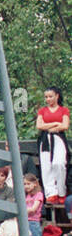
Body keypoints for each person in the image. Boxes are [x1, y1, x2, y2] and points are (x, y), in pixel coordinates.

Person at [37, 86, 70, 214]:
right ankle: (51, 193)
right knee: (46, 167)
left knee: (59, 163)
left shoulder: (63, 110)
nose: (48, 99)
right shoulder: (42, 110)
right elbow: (39, 125)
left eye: (50, 96)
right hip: (45, 139)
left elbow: (65, 125)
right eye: (46, 97)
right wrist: (55, 124)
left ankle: (61, 191)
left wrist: (52, 127)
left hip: (58, 138)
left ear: (57, 96)